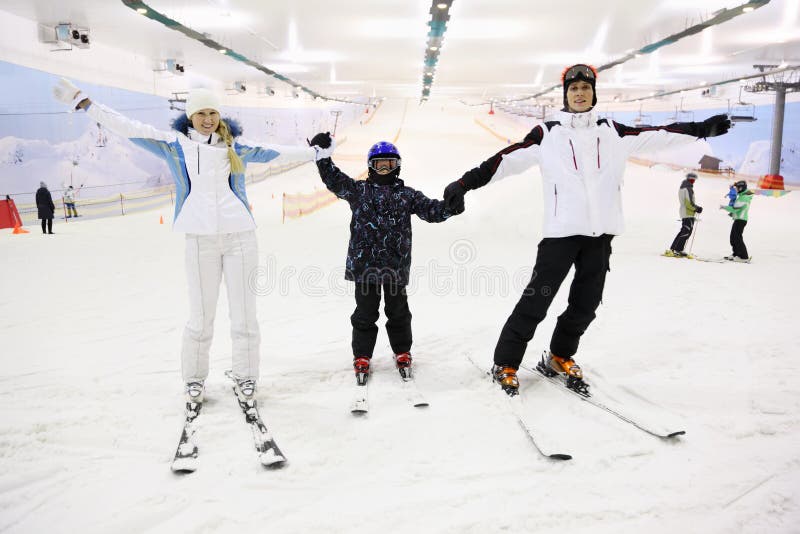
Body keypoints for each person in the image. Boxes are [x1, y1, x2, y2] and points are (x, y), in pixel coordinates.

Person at [442, 64, 731, 396]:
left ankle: (559, 356)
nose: (579, 94)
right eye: (573, 89)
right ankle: (505, 361)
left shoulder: (614, 132)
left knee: (586, 305)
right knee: (537, 302)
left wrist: (700, 128)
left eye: (585, 89)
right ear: (565, 94)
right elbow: (506, 160)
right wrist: (465, 183)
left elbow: (658, 134)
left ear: (594, 93)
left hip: (600, 235)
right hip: (560, 235)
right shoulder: (547, 134)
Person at [53, 78, 315, 403]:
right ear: (190, 115)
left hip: (241, 239)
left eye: (213, 112)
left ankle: (246, 376)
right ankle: (194, 379)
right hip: (199, 240)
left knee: (245, 315)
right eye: (201, 112)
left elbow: (276, 153)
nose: (208, 119)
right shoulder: (174, 145)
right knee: (201, 317)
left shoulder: (235, 148)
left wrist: (315, 151)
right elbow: (127, 127)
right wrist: (87, 104)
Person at [308, 133, 461, 384]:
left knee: (398, 311)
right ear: (370, 167)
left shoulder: (407, 195)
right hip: (364, 265)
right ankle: (362, 356)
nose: (384, 169)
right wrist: (323, 158)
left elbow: (431, 210)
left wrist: (450, 207)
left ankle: (402, 351)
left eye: (389, 164)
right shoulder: (358, 191)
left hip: (395, 266)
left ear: (397, 167)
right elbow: (334, 180)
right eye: (379, 164)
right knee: (365, 313)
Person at [665, 172, 703, 257]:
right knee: (686, 232)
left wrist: (695, 208)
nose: (694, 181)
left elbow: (687, 202)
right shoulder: (688, 188)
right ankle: (676, 249)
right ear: (689, 179)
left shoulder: (683, 187)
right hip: (688, 212)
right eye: (693, 179)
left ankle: (676, 249)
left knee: (685, 231)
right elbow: (688, 203)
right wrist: (696, 208)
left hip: (686, 212)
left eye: (694, 180)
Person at [721, 180, 753, 262]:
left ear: (742, 188)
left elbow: (735, 209)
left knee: (738, 238)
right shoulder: (742, 195)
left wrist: (724, 207)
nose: (737, 190)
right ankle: (736, 254)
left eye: (738, 188)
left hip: (741, 220)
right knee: (733, 238)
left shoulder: (744, 198)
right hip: (738, 219)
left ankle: (744, 257)